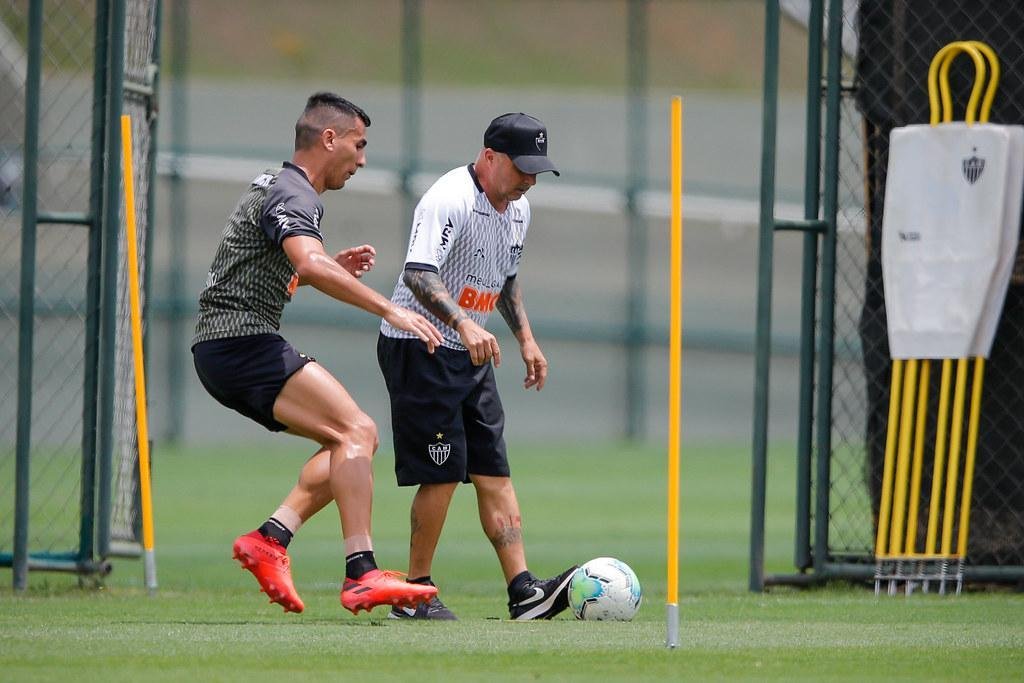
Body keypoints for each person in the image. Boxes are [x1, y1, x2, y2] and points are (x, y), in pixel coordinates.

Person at [191, 92, 445, 616]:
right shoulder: (295, 192)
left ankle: (271, 538)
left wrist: (323, 268)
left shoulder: (275, 184)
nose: (362, 159)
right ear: (330, 139)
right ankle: (362, 573)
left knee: (349, 439)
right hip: (239, 343)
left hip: (226, 346)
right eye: (359, 144)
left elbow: (272, 270)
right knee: (358, 431)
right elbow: (307, 262)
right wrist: (390, 309)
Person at [376, 113, 577, 620]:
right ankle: (415, 594)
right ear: (489, 157)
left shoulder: (518, 209)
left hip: (471, 352)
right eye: (522, 167)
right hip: (420, 345)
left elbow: (506, 278)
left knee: (493, 470)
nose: (530, 180)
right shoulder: (450, 199)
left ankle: (523, 592)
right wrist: (463, 323)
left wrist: (526, 338)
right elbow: (418, 272)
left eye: (537, 171)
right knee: (442, 473)